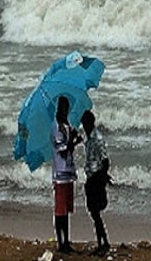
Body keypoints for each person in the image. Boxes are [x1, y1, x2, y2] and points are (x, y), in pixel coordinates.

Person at [51, 96, 82, 253]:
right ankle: (60, 242)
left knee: (66, 211)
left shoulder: (65, 126)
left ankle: (66, 241)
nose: (66, 111)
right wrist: (72, 141)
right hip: (60, 174)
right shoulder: (56, 127)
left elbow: (68, 149)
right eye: (64, 109)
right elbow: (62, 150)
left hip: (68, 173)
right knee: (60, 211)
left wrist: (74, 140)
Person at [81, 109, 112, 253]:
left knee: (95, 212)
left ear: (90, 124)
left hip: (95, 178)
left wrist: (102, 177)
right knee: (94, 212)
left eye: (85, 124)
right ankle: (102, 242)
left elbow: (105, 160)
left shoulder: (97, 138)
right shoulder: (88, 139)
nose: (84, 127)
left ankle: (103, 243)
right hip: (91, 177)